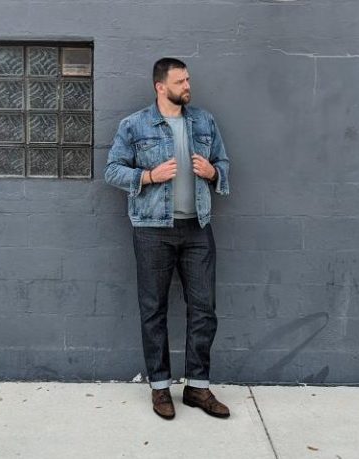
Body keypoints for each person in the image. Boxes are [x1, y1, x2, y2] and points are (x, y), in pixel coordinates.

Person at [104, 57, 231, 420]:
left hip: (197, 229)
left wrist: (212, 172)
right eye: (181, 81)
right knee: (153, 309)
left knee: (204, 309)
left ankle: (198, 387)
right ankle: (160, 388)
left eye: (188, 79)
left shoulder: (204, 121)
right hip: (151, 230)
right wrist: (148, 176)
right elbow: (112, 169)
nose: (188, 85)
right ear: (161, 86)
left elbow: (224, 163)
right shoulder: (135, 125)